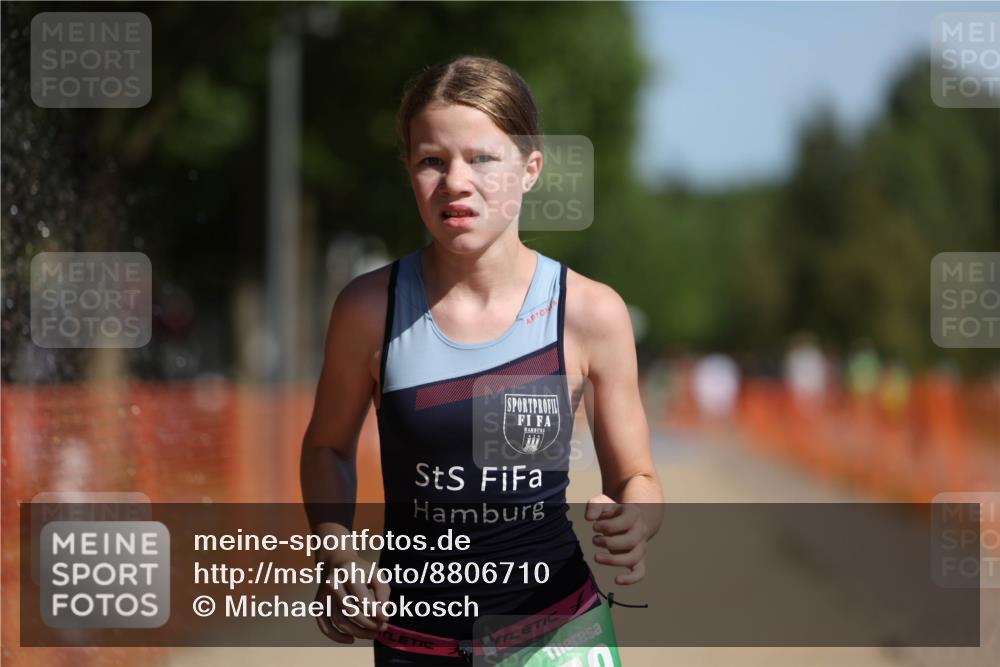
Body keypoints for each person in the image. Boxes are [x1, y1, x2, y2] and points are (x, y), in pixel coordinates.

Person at [301, 55, 663, 666]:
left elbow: (639, 479)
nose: (455, 182)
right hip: (416, 644)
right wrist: (334, 548)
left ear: (530, 168)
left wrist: (636, 520)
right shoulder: (368, 309)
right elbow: (326, 449)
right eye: (431, 161)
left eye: (483, 158)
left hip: (557, 638)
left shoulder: (589, 312)